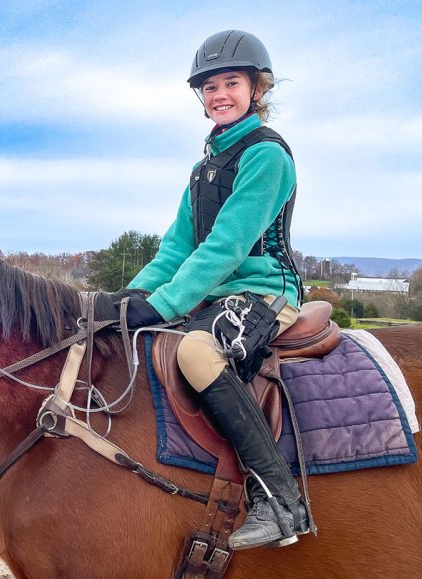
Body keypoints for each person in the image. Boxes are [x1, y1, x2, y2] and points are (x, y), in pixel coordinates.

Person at [114, 30, 309, 550]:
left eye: (231, 83)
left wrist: (165, 304)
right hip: (219, 294)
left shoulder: (267, 156)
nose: (219, 94)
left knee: (198, 351)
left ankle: (281, 501)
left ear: (257, 90)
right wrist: (126, 301)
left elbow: (225, 247)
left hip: (267, 291)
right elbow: (175, 252)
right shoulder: (203, 170)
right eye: (210, 87)